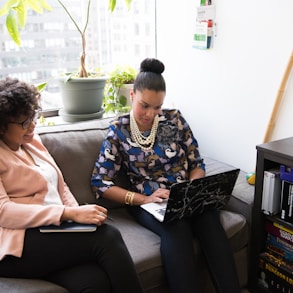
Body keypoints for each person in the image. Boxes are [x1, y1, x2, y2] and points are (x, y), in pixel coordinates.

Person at [92, 58, 241, 293]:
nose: (151, 113)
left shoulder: (174, 120)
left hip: (184, 195)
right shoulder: (118, 130)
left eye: (157, 107)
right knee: (177, 226)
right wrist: (144, 199)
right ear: (132, 95)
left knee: (209, 218)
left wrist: (193, 188)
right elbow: (100, 183)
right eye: (145, 105)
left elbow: (196, 162)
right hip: (149, 202)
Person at [0, 77, 143, 293]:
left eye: (33, 116)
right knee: (108, 236)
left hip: (51, 232)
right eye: (23, 122)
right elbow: (4, 212)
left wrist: (78, 216)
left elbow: (61, 185)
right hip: (18, 244)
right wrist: (68, 214)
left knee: (93, 283)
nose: (32, 124)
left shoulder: (31, 141)